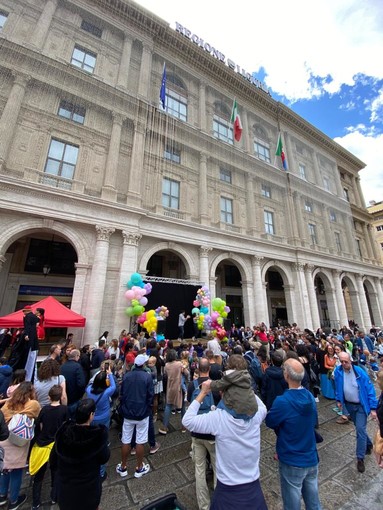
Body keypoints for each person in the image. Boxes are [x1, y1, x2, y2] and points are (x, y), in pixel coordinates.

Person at [182, 370, 268, 509]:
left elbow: (187, 420)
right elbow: (263, 406)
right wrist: (246, 387)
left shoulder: (220, 418)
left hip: (227, 490)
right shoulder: (257, 415)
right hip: (254, 489)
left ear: (224, 394)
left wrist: (203, 393)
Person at [265, 358, 321, 510]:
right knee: (313, 501)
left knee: (291, 502)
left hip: (292, 457)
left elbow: (270, 421)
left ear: (287, 376)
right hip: (310, 455)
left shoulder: (282, 401)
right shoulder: (309, 396)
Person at [50, 398, 110, 510]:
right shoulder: (97, 437)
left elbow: (53, 462)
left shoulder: (63, 434)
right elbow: (105, 457)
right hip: (88, 491)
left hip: (66, 491)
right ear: (91, 415)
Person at [334, 351, 378, 473]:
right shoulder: (338, 371)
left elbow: (370, 390)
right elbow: (338, 386)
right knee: (360, 429)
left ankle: (360, 458)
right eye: (341, 361)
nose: (343, 364)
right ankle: (368, 444)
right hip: (349, 405)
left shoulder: (359, 372)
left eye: (345, 362)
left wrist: (373, 408)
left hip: (360, 406)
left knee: (360, 430)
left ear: (350, 360)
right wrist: (339, 399)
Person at [0, 381, 41, 510]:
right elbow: (37, 415)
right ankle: (13, 500)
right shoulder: (33, 404)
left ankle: (2, 495)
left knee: (5, 469)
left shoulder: (8, 403)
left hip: (5, 439)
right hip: (19, 441)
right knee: (17, 470)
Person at [186, 357, 218, 510]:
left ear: (197, 369)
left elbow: (189, 405)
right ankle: (220, 502)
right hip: (212, 433)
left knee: (199, 469)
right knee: (218, 468)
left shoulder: (192, 386)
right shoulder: (215, 386)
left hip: (197, 433)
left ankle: (204, 506)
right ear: (209, 369)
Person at [30, 385, 68, 509]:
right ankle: (54, 496)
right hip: (55, 444)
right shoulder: (64, 410)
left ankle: (35, 502)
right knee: (55, 471)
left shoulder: (44, 409)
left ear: (49, 397)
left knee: (39, 476)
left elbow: (39, 425)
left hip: (42, 443)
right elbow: (65, 425)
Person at [116, 354, 153, 478]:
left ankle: (123, 466)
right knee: (140, 441)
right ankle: (139, 467)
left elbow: (122, 394)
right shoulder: (147, 377)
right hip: (142, 412)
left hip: (128, 412)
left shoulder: (127, 376)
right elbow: (150, 395)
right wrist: (148, 407)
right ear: (143, 364)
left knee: (126, 439)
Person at [85, 362, 116, 481]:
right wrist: (110, 374)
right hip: (103, 417)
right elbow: (113, 387)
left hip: (92, 418)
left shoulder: (89, 391)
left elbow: (89, 385)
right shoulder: (106, 392)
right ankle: (101, 472)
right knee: (103, 440)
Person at [209, 354, 257, 420]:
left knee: (220, 406)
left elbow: (217, 385)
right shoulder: (246, 374)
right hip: (252, 410)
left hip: (238, 411)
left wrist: (210, 383)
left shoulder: (231, 376)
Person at [159, 349, 188, 435]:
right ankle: (184, 426)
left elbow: (165, 374)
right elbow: (187, 373)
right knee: (182, 407)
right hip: (179, 388)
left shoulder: (167, 365)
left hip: (170, 387)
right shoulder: (179, 364)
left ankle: (164, 426)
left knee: (168, 406)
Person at [60, 349, 86, 418]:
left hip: (62, 398)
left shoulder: (62, 366)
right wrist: (80, 395)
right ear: (76, 356)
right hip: (74, 399)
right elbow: (81, 384)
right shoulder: (78, 367)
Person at [22, 305, 40, 382]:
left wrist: (26, 334)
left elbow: (27, 326)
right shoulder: (36, 317)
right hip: (34, 341)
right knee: (31, 359)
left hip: (30, 340)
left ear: (27, 311)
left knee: (28, 358)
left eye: (24, 311)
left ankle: (26, 377)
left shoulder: (28, 317)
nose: (23, 313)